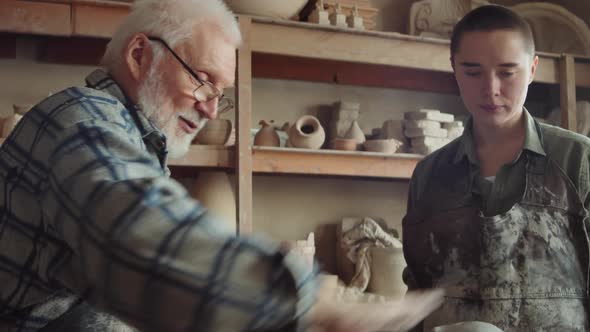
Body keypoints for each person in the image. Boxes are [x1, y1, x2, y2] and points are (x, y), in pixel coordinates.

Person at [0, 0, 443, 331]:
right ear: (139, 55)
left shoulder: (126, 135)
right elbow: (143, 240)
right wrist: (312, 298)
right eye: (201, 79)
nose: (212, 110)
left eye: (220, 92)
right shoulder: (81, 121)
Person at [402, 4, 590, 331]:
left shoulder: (577, 160)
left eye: (507, 72)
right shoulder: (430, 176)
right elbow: (418, 288)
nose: (490, 89)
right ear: (454, 68)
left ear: (532, 68)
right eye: (473, 72)